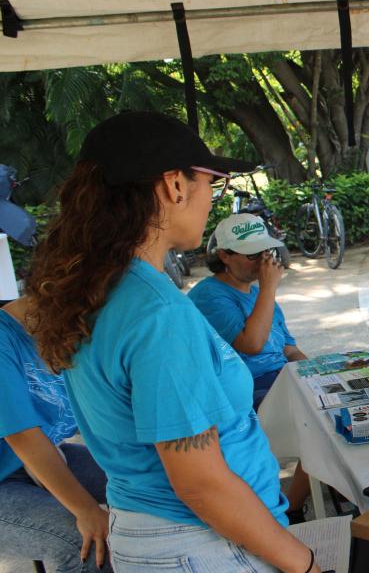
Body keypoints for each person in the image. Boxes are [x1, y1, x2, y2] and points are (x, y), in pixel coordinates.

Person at [26, 111, 319, 572]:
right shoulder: (156, 311)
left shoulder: (102, 287)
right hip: (201, 544)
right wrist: (303, 563)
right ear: (174, 186)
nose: (210, 199)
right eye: (211, 184)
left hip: (156, 534)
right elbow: (200, 483)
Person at [188, 213, 313, 522]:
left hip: (280, 378)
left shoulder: (258, 293)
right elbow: (252, 344)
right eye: (252, 255)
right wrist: (270, 288)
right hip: (247, 388)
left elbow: (289, 347)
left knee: (338, 411)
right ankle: (294, 507)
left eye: (265, 253)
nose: (262, 263)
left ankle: (298, 500)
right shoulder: (208, 295)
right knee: (322, 424)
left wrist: (321, 373)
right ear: (224, 256)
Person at [0, 297, 109, 572]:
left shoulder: (74, 336)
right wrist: (87, 511)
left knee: (143, 481)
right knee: (86, 541)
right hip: (11, 472)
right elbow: (24, 438)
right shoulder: (6, 338)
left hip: (36, 461)